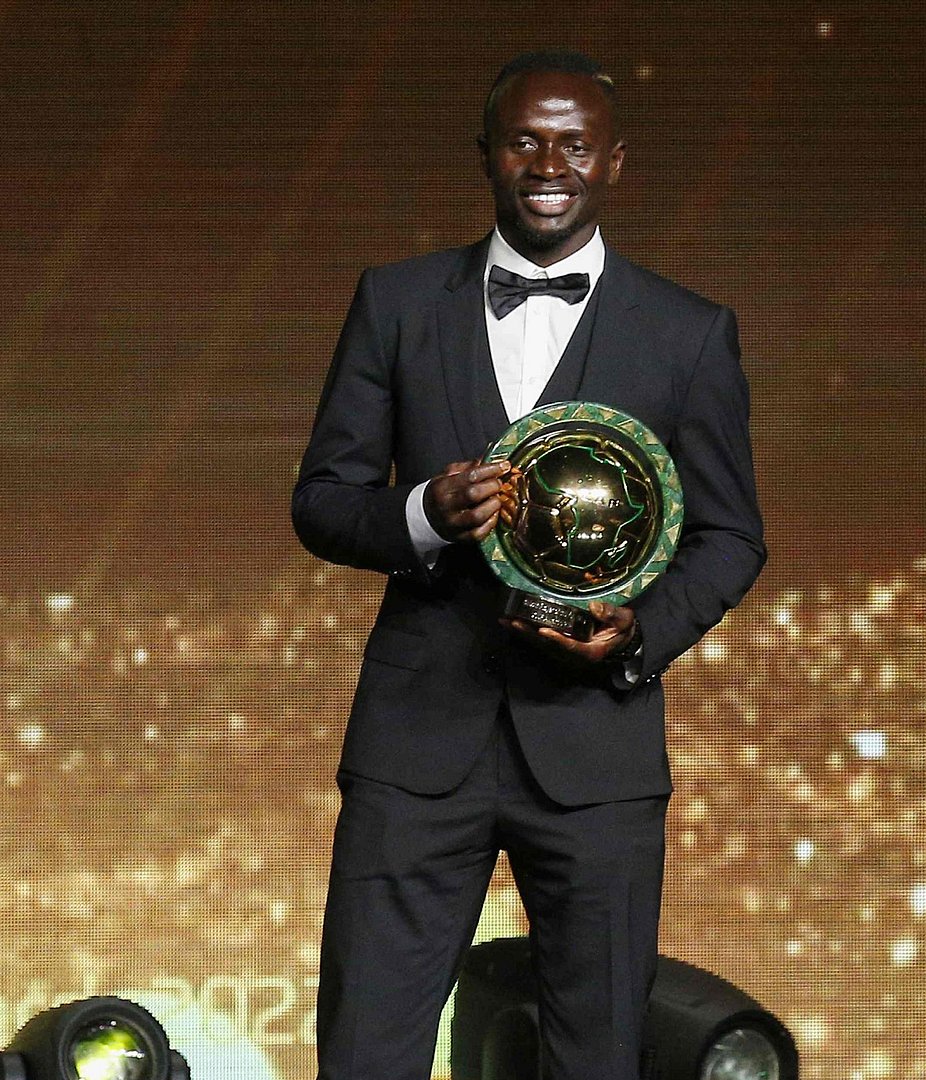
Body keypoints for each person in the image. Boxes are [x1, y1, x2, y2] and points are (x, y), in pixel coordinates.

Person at [292, 50, 765, 1080]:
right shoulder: (399, 302)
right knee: (365, 1055)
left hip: (597, 753)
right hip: (416, 750)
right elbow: (323, 503)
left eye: (575, 144)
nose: (549, 163)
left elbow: (732, 536)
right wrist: (423, 512)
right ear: (488, 158)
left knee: (597, 1059)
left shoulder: (689, 334)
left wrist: (641, 632)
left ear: (615, 164)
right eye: (525, 141)